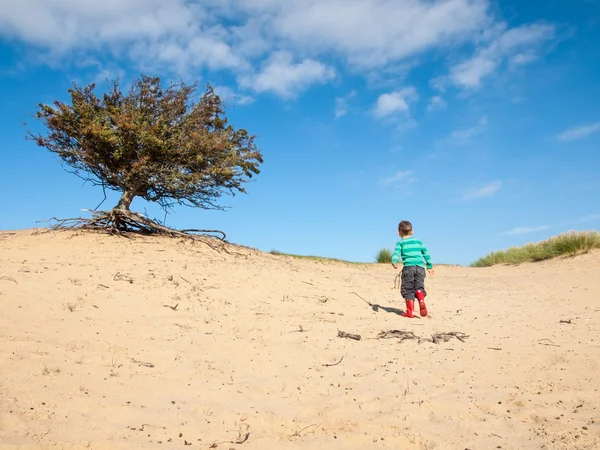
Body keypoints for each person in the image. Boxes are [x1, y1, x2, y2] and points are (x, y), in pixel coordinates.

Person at [391, 221, 434, 318]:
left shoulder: (400, 243)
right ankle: (421, 299)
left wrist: (394, 261)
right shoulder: (418, 242)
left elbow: (396, 253)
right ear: (412, 231)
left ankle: (410, 312)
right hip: (420, 268)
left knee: (408, 289)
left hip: (408, 268)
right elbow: (426, 253)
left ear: (399, 233)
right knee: (419, 287)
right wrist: (429, 266)